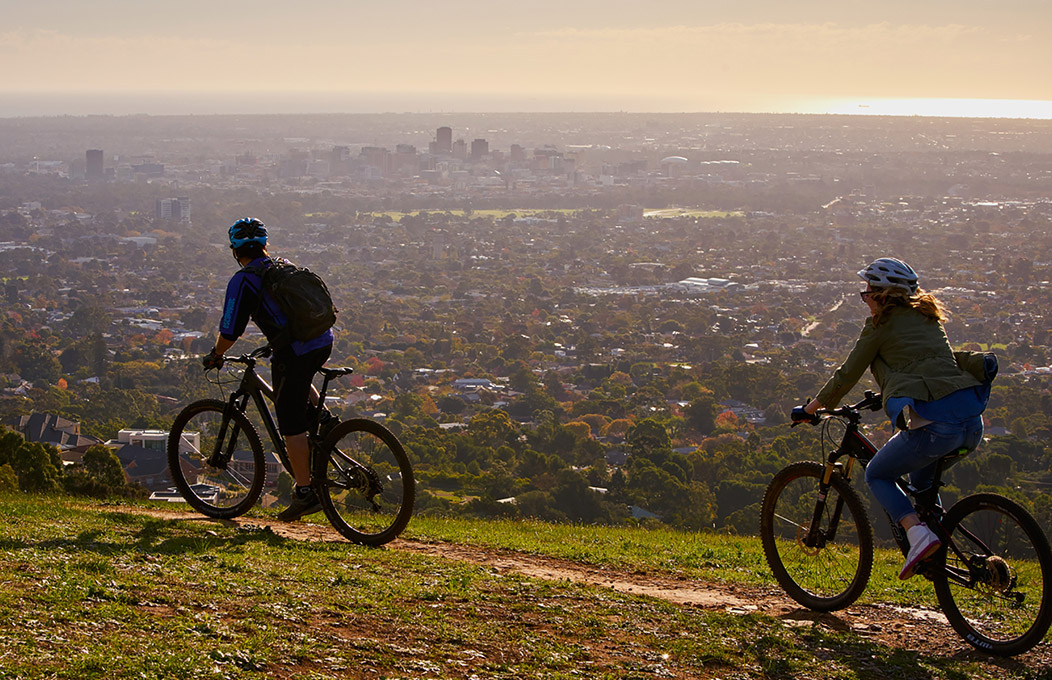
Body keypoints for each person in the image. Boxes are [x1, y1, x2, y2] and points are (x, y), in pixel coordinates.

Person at [797, 257, 986, 579]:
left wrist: (810, 409)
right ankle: (936, 545)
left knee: (877, 475)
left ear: (884, 295)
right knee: (921, 485)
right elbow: (925, 365)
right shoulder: (928, 318)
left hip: (936, 428)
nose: (865, 298)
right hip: (971, 425)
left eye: (867, 292)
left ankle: (918, 535)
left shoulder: (880, 325)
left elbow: (847, 375)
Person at [202, 217, 335, 521]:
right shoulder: (282, 264)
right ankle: (324, 418)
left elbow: (230, 330)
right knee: (295, 379)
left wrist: (216, 355)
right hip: (322, 339)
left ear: (235, 251)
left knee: (290, 424)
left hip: (296, 349)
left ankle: (304, 492)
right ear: (264, 245)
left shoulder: (243, 280)